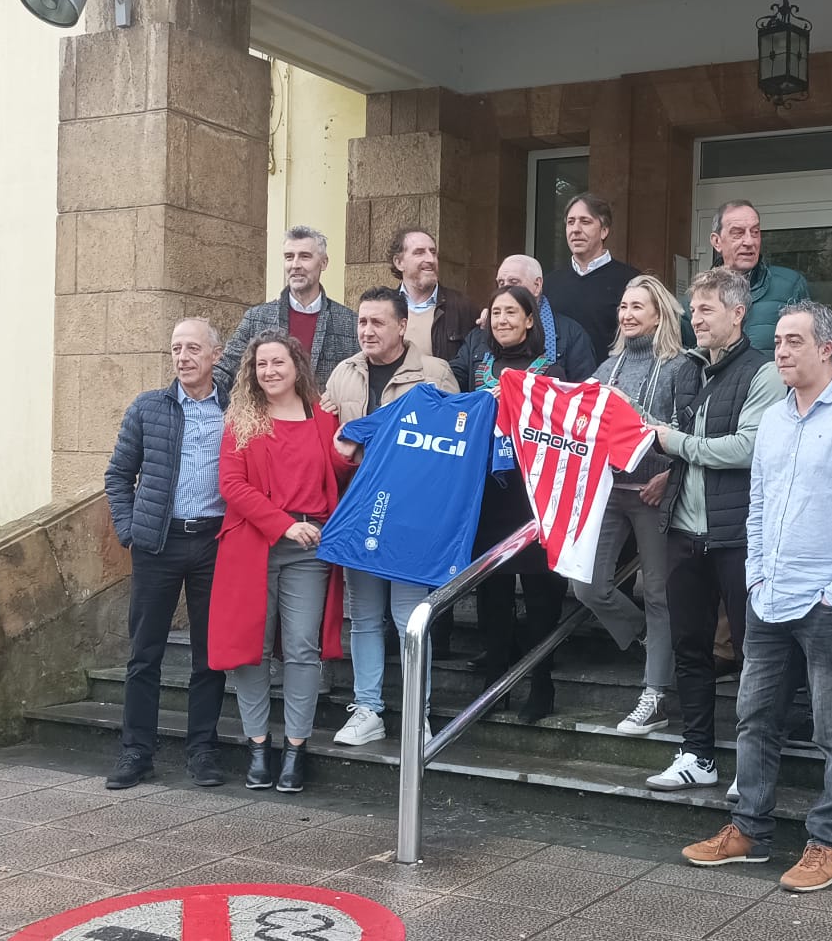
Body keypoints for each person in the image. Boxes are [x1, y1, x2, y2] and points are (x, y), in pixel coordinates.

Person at [682, 301, 832, 891]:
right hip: (770, 596)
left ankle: (830, 845)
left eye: (794, 341)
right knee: (753, 719)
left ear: (827, 348)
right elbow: (758, 504)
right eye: (777, 340)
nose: (780, 351)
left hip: (830, 603)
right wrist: (754, 578)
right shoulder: (774, 420)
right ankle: (748, 830)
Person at [643, 268, 783, 791]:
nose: (693, 318)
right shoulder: (687, 371)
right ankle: (698, 754)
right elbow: (664, 436)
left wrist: (673, 443)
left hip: (737, 534)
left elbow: (748, 449)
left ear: (738, 312)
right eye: (692, 309)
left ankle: (752, 762)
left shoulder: (762, 372)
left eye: (705, 310)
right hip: (683, 532)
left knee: (754, 653)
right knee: (690, 648)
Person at [208, 334, 353, 795]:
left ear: (297, 366)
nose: (269, 370)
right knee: (251, 648)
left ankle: (295, 749)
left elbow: (339, 472)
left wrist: (348, 452)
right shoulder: (242, 420)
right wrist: (282, 524)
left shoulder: (321, 415)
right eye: (261, 364)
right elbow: (231, 485)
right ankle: (257, 746)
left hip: (309, 548)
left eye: (278, 362)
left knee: (301, 648)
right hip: (253, 545)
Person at [320, 286, 461, 746]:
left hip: (412, 518)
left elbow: (452, 452)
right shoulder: (344, 373)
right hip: (360, 513)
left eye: (378, 322)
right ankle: (368, 710)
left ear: (402, 325)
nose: (367, 330)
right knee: (363, 617)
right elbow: (328, 437)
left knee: (408, 618)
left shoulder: (436, 374)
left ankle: (415, 717)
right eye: (362, 322)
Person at [103, 318, 230, 791]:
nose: (183, 357)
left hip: (214, 543)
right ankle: (137, 751)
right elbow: (118, 475)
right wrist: (129, 530)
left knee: (209, 654)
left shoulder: (236, 409)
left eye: (193, 348)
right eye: (176, 348)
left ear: (216, 355)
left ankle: (202, 750)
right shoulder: (147, 408)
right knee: (144, 653)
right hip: (157, 543)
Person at [572, 274, 689, 735]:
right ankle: (650, 638)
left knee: (659, 593)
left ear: (659, 314)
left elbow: (684, 432)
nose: (626, 314)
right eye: (623, 306)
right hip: (609, 492)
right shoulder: (607, 367)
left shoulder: (682, 367)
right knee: (587, 585)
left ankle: (655, 695)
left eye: (637, 306)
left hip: (655, 491)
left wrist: (668, 474)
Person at [459, 285, 568, 723]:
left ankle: (542, 685)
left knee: (542, 600)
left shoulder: (552, 370)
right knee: (493, 596)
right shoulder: (478, 369)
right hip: (490, 496)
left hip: (535, 499)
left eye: (512, 312)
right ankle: (494, 685)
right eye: (497, 312)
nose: (502, 319)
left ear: (529, 320)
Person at [215, 226, 360, 393]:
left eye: (305, 257)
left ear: (324, 262)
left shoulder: (349, 322)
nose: (295, 265)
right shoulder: (256, 318)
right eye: (289, 257)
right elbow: (226, 368)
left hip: (326, 417)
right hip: (268, 417)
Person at [452, 254, 597, 383]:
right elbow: (453, 381)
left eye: (514, 282)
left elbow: (582, 395)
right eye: (501, 283)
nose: (506, 289)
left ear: (537, 285)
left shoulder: (571, 334)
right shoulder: (481, 333)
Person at [706, 200, 810, 352]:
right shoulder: (697, 298)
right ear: (717, 241)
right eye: (738, 233)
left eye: (755, 232)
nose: (749, 241)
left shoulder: (790, 286)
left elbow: (808, 348)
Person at [543, 193, 639, 355]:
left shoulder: (632, 282)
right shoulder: (549, 284)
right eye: (570, 222)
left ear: (604, 231)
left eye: (585, 222)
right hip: (558, 379)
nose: (575, 230)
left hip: (610, 378)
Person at [390, 226, 479, 364]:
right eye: (419, 252)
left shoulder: (463, 307)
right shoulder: (386, 307)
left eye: (433, 252)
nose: (430, 259)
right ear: (399, 262)